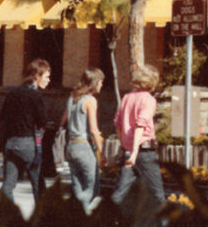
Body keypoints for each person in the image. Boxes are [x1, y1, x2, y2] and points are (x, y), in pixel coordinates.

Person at [112, 64, 165, 206]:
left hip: (128, 151)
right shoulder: (149, 100)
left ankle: (107, 217)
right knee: (157, 194)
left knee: (120, 192)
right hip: (144, 152)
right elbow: (140, 125)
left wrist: (124, 147)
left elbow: (117, 124)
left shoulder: (127, 98)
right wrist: (135, 151)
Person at [0, 59, 50, 202]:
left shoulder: (12, 93)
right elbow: (43, 120)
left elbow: (3, 119)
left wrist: (2, 145)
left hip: (10, 144)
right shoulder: (35, 95)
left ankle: (7, 216)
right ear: (36, 76)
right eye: (46, 76)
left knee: (8, 185)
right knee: (38, 184)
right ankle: (42, 218)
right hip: (28, 143)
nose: (48, 80)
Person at [61, 68, 105, 213]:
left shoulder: (72, 97)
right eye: (101, 82)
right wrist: (102, 153)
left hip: (71, 146)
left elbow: (63, 121)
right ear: (94, 83)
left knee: (78, 186)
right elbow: (93, 130)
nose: (102, 85)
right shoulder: (90, 100)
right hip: (84, 146)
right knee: (93, 188)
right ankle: (76, 213)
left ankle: (75, 216)